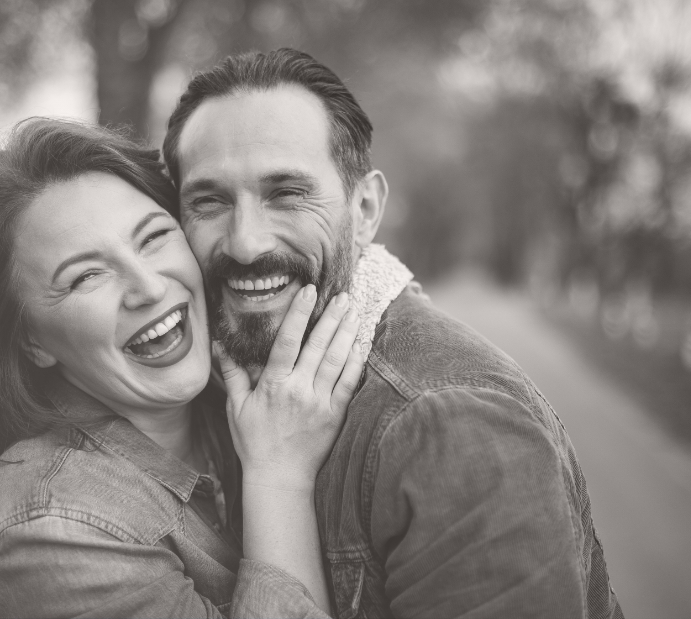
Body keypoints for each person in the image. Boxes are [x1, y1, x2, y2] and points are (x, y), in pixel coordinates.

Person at [162, 48, 625, 619]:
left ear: (364, 209)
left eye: (287, 194)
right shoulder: (212, 377)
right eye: (209, 201)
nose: (246, 243)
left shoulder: (453, 427)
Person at [0, 118, 366, 618]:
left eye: (152, 238)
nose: (148, 286)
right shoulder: (53, 530)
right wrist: (279, 476)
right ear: (31, 341)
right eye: (86, 276)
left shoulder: (244, 393)